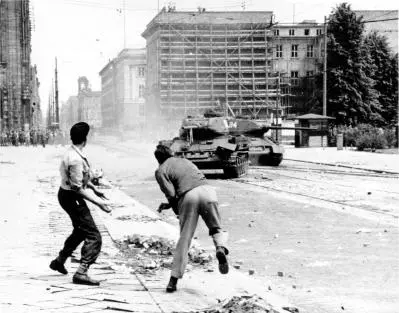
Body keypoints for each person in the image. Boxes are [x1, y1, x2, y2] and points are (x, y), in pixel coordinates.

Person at [154, 144, 229, 293]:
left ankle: (173, 280)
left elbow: (171, 193)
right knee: (215, 227)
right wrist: (172, 204)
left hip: (188, 196)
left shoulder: (161, 170)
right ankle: (220, 247)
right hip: (208, 191)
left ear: (158, 159)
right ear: (171, 153)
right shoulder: (184, 160)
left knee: (185, 238)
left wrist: (176, 209)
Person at [49, 122, 112, 286]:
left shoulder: (72, 152)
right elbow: (77, 188)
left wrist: (94, 188)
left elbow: (79, 179)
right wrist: (99, 203)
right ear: (85, 139)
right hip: (72, 198)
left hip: (66, 195)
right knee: (94, 235)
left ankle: (60, 260)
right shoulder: (76, 159)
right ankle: (81, 272)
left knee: (80, 230)